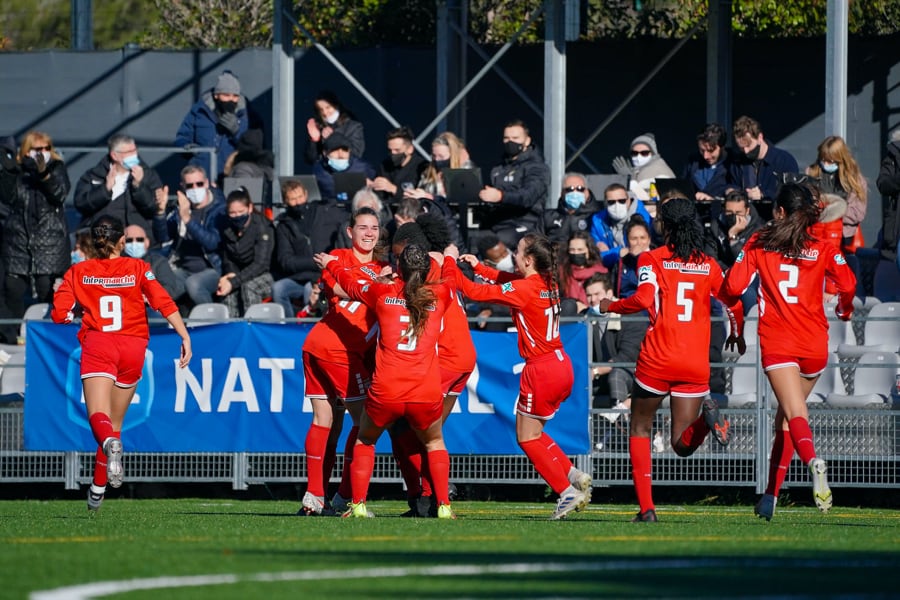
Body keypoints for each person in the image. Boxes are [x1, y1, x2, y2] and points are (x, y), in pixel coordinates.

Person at [597, 196, 743, 523]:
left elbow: (644, 297)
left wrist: (612, 305)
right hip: (694, 362)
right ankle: (707, 424)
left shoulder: (652, 258)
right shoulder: (708, 264)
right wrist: (738, 332)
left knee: (639, 427)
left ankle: (647, 509)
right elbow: (731, 299)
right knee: (681, 443)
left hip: (658, 357)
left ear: (664, 225)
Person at [723, 183, 856, 521]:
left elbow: (733, 288)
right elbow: (849, 283)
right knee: (786, 417)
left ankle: (813, 461)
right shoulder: (822, 245)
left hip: (779, 341)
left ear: (779, 212)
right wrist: (844, 309)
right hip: (815, 345)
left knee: (794, 411)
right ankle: (770, 496)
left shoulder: (758, 242)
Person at [444, 233, 592, 520]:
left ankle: (565, 491)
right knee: (536, 433)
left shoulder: (525, 289)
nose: (514, 254)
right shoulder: (547, 283)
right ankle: (572, 473)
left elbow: (472, 292)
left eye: (519, 250)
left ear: (527, 259)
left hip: (541, 368)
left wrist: (450, 260)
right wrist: (480, 267)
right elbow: (509, 282)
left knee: (526, 438)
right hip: (561, 363)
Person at [50, 215, 191, 513]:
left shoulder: (78, 271)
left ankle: (107, 456)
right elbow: (163, 301)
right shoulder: (138, 267)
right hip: (133, 346)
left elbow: (59, 314)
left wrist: (68, 313)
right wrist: (184, 335)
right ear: (121, 241)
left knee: (98, 418)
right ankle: (97, 493)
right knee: (114, 425)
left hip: (100, 344)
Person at [314, 243, 456, 519]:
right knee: (435, 443)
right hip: (424, 390)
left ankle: (358, 504)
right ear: (427, 270)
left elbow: (351, 284)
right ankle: (444, 506)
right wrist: (449, 257)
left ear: (398, 270)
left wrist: (331, 263)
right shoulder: (441, 294)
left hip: (386, 389)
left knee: (365, 441)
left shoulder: (382, 292)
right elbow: (451, 278)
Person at [297, 207, 388, 516]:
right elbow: (334, 287)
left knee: (325, 423)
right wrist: (376, 283)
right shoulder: (339, 257)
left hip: (321, 345)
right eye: (362, 227)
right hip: (337, 350)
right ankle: (345, 497)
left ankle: (314, 498)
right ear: (350, 232)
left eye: (374, 227)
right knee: (366, 425)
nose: (369, 233)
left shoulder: (385, 266)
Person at [388, 215, 476, 517]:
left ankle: (425, 496)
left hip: (445, 359)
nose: (397, 263)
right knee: (427, 431)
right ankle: (430, 496)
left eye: (399, 257)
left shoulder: (419, 274)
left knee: (408, 430)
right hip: (463, 358)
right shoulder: (439, 266)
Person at [0, 130, 70, 343]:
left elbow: (59, 194)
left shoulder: (57, 169)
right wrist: (9, 173)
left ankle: (50, 338)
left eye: (46, 148)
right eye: (36, 149)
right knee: (12, 289)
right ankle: (9, 338)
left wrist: (44, 175)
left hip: (50, 244)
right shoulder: (18, 173)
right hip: (19, 242)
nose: (42, 153)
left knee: (46, 289)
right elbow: (8, 198)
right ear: (26, 151)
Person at [152, 165, 226, 311]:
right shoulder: (180, 207)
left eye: (199, 184)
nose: (195, 188)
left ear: (206, 183)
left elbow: (212, 243)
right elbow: (163, 237)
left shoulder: (219, 209)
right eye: (190, 185)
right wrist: (160, 212)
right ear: (183, 186)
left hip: (213, 268)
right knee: (158, 289)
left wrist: (187, 219)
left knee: (194, 284)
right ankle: (164, 329)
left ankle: (212, 323)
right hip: (184, 268)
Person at [175, 70, 262, 181]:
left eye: (235, 96)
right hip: (202, 176)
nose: (231, 99)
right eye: (226, 95)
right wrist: (187, 147)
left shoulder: (248, 114)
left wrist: (237, 131)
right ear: (216, 95)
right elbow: (183, 136)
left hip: (233, 176)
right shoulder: (199, 111)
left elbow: (255, 147)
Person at [477, 120, 550, 250]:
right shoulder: (498, 168)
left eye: (515, 138)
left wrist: (501, 196)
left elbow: (528, 196)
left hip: (526, 223)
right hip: (497, 222)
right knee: (475, 239)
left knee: (498, 243)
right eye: (506, 138)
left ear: (527, 141)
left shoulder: (537, 167)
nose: (510, 142)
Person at [74, 133, 163, 238]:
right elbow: (81, 203)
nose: (134, 154)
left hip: (134, 237)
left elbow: (153, 208)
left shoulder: (148, 175)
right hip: (102, 238)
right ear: (114, 155)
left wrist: (138, 186)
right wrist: (105, 189)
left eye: (135, 150)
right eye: (129, 152)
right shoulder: (95, 175)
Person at [806, 136, 867, 284]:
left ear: (841, 159)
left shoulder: (854, 179)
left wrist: (834, 211)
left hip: (842, 237)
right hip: (815, 235)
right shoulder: (812, 173)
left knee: (836, 275)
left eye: (831, 161)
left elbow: (858, 213)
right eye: (823, 159)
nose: (826, 164)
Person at [583, 272, 647, 409]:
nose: (593, 299)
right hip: (599, 378)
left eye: (597, 294)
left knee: (616, 374)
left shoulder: (630, 316)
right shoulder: (584, 319)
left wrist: (595, 371)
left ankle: (617, 424)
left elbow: (626, 357)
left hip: (632, 375)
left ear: (610, 293)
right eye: (589, 295)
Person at [215, 187, 274, 317]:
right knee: (227, 291)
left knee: (249, 288)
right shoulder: (227, 228)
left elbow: (261, 264)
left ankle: (252, 325)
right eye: (233, 213)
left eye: (241, 212)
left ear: (250, 208)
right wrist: (230, 275)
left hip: (266, 274)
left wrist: (234, 281)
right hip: (239, 274)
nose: (237, 216)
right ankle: (231, 329)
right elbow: (227, 257)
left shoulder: (262, 227)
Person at [729, 115, 799, 211]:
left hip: (775, 217)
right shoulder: (738, 163)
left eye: (749, 145)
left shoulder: (784, 160)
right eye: (741, 147)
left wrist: (763, 194)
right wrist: (731, 190)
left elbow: (793, 193)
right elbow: (732, 183)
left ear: (760, 137)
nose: (746, 151)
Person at [271, 180, 320, 318]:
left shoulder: (318, 215)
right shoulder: (283, 225)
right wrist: (314, 262)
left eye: (300, 197)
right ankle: (288, 327)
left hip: (319, 277)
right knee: (278, 289)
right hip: (297, 277)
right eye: (293, 199)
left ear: (306, 194)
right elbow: (285, 260)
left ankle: (310, 332)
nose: (298, 202)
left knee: (309, 290)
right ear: (285, 201)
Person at [122, 223, 185, 312]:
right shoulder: (116, 263)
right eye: (129, 240)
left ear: (147, 242)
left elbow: (170, 289)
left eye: (139, 240)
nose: (134, 243)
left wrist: (147, 296)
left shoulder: (158, 262)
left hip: (153, 310)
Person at [590, 183, 653, 270]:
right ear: (605, 203)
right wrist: (619, 252)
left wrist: (609, 252)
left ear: (628, 201)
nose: (617, 205)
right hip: (612, 271)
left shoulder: (643, 219)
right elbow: (594, 256)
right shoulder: (598, 221)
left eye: (621, 201)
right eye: (611, 202)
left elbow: (641, 250)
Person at [305, 90, 365, 164]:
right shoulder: (319, 127)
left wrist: (332, 136)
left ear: (336, 105)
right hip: (325, 173)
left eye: (328, 107)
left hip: (348, 174)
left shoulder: (354, 126)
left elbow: (357, 154)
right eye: (321, 109)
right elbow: (311, 159)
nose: (325, 112)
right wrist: (314, 140)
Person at [371, 126, 427, 206]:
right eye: (390, 150)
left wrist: (393, 189)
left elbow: (419, 198)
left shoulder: (421, 167)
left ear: (410, 149)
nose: (393, 153)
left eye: (397, 150)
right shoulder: (385, 165)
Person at [312, 133, 376, 202]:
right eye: (335, 149)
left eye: (344, 149)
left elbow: (377, 191)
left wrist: (373, 186)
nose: (340, 154)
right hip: (329, 210)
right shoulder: (318, 170)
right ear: (325, 153)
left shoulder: (364, 167)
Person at [544, 172, 603, 245]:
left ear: (587, 192)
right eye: (570, 189)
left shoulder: (598, 217)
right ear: (562, 193)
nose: (575, 192)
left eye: (580, 189)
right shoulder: (548, 217)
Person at [612, 132, 676, 196]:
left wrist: (629, 179)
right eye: (634, 153)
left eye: (644, 153)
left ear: (653, 153)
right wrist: (633, 175)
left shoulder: (659, 170)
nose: (638, 156)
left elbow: (648, 200)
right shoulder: (644, 169)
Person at [683, 123, 731, 201]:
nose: (706, 156)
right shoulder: (693, 162)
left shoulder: (732, 165)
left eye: (711, 151)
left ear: (722, 147)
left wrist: (713, 200)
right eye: (702, 150)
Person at [608, 215, 652, 299]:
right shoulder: (622, 263)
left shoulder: (658, 259)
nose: (639, 242)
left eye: (643, 238)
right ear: (627, 241)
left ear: (649, 239)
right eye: (634, 239)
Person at [559, 230, 606, 309]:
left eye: (580, 250)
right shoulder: (561, 272)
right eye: (572, 250)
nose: (576, 253)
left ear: (589, 250)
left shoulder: (601, 272)